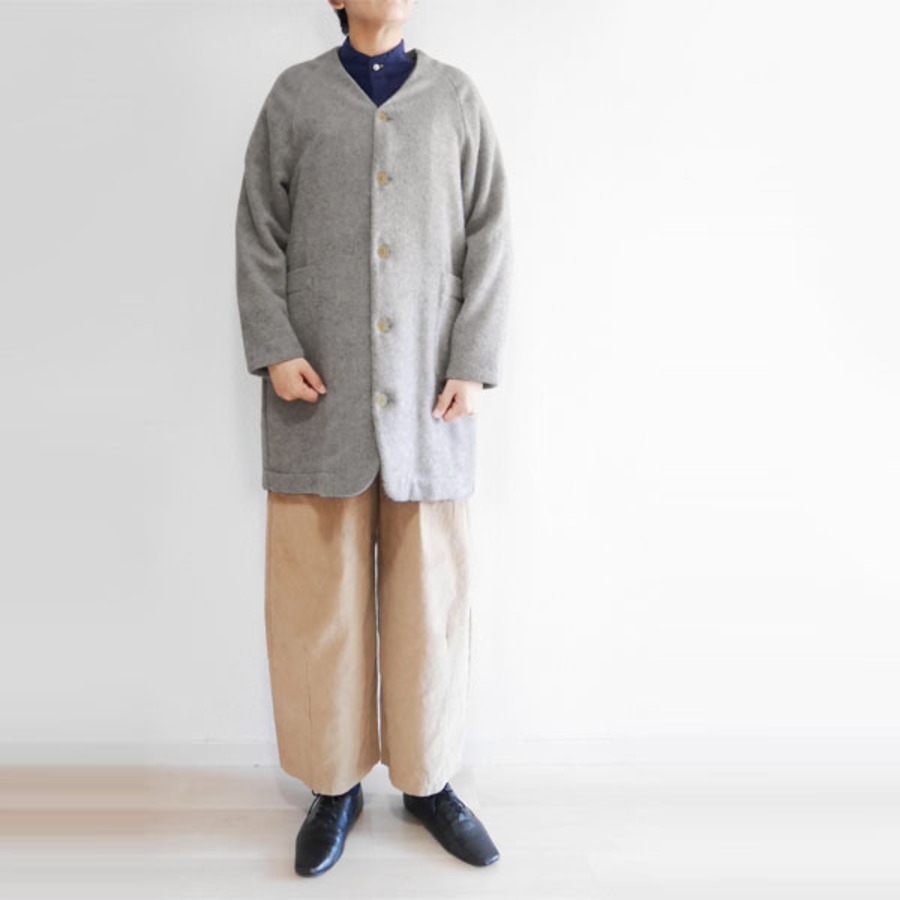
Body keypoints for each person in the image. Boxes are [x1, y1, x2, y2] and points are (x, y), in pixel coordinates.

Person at [234, 0, 512, 877]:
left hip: (431, 405)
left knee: (431, 606)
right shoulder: (294, 97)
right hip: (318, 399)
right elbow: (257, 230)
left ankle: (430, 782)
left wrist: (473, 362)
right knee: (319, 608)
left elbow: (491, 232)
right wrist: (275, 346)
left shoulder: (456, 100)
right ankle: (333, 785)